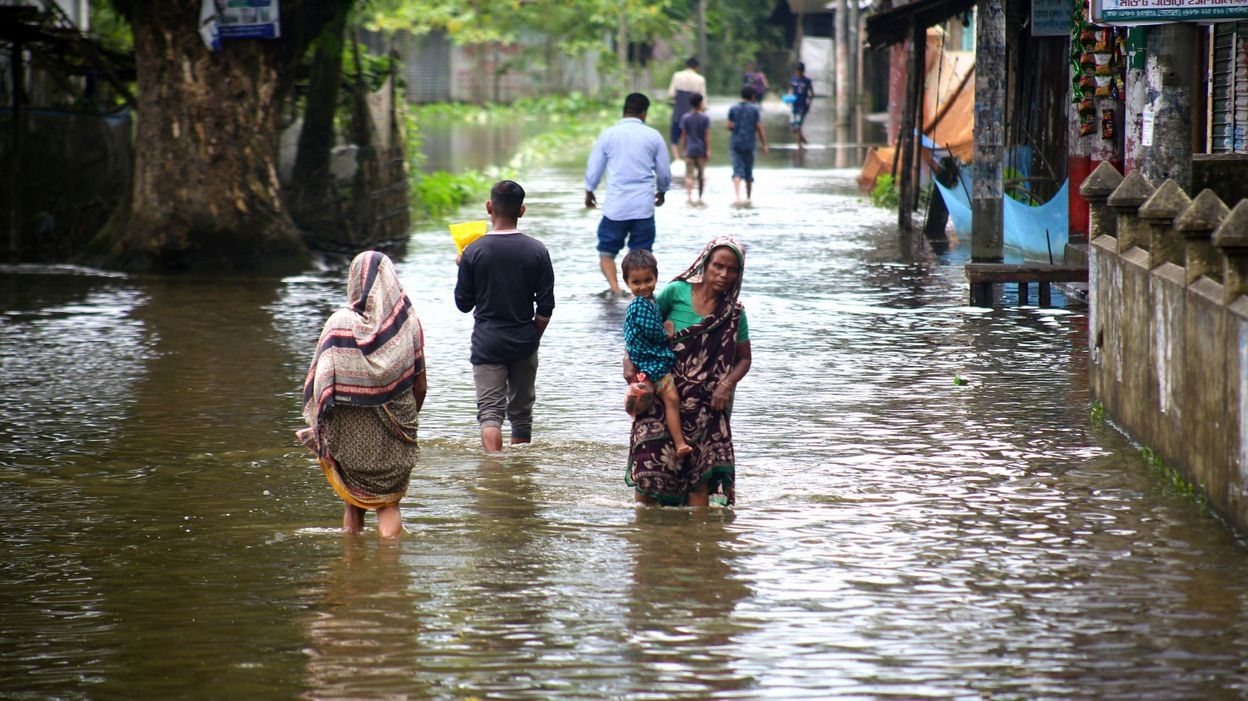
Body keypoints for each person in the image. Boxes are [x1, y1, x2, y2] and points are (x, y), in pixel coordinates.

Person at [298, 250, 427, 538]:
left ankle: (351, 569)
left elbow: (322, 386)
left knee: (352, 504)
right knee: (388, 504)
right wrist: (402, 425)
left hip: (348, 436)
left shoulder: (338, 323)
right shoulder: (408, 322)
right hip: (397, 432)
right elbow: (421, 386)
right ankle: (390, 574)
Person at [625, 237, 752, 507]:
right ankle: (646, 538)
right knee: (650, 472)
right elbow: (640, 328)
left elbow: (743, 360)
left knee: (699, 481)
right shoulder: (675, 292)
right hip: (661, 392)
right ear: (704, 264)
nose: (723, 274)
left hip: (706, 406)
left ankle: (696, 539)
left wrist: (725, 385)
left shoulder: (734, 314)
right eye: (718, 266)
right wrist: (628, 360)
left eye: (732, 270)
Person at [455, 180, 556, 453]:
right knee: (521, 414)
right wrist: (533, 335)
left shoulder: (473, 252)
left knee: (490, 413)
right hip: (524, 340)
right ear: (521, 211)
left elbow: (463, 304)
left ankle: (495, 475)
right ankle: (519, 476)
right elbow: (546, 306)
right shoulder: (537, 251)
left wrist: (462, 266)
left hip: (487, 341)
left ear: (489, 207)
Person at [584, 92, 672, 295]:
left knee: (606, 252)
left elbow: (594, 169)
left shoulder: (608, 135)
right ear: (644, 113)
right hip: (643, 207)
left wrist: (589, 191)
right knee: (641, 255)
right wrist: (663, 191)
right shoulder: (653, 136)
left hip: (616, 207)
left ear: (624, 110)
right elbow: (664, 173)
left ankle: (615, 290)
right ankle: (640, 294)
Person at [621, 249, 692, 457]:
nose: (643, 287)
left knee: (656, 397)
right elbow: (652, 332)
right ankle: (679, 443)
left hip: (644, 357)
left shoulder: (650, 301)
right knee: (671, 399)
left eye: (648, 280)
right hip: (649, 358)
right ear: (627, 283)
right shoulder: (641, 305)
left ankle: (643, 392)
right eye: (636, 283)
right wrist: (667, 333)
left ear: (656, 277)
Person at [726, 86, 768, 206]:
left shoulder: (733, 108)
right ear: (753, 96)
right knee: (749, 172)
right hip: (749, 144)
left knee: (737, 170)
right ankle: (749, 198)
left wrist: (737, 127)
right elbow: (759, 127)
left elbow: (729, 126)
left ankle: (737, 197)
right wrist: (764, 144)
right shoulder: (755, 109)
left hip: (735, 143)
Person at [666, 56, 708, 163]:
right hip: (693, 114)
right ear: (696, 67)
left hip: (678, 112)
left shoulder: (677, 75)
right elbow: (703, 99)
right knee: (693, 138)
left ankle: (677, 159)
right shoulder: (700, 79)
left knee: (674, 139)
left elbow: (671, 94)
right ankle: (690, 160)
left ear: (686, 65)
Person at [678, 93, 711, 203]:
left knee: (689, 175)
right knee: (701, 176)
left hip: (689, 149)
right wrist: (708, 150)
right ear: (700, 103)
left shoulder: (685, 117)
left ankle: (689, 197)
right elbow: (706, 136)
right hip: (701, 150)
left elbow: (683, 136)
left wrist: (683, 150)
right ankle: (700, 197)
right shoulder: (705, 118)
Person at [788, 62, 815, 147]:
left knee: (798, 126)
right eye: (797, 71)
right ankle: (805, 142)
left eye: (800, 71)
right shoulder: (793, 79)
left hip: (803, 106)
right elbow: (791, 90)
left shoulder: (807, 81)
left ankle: (799, 146)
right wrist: (789, 98)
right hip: (794, 105)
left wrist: (809, 103)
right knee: (793, 127)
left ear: (803, 71)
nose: (798, 73)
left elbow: (812, 93)